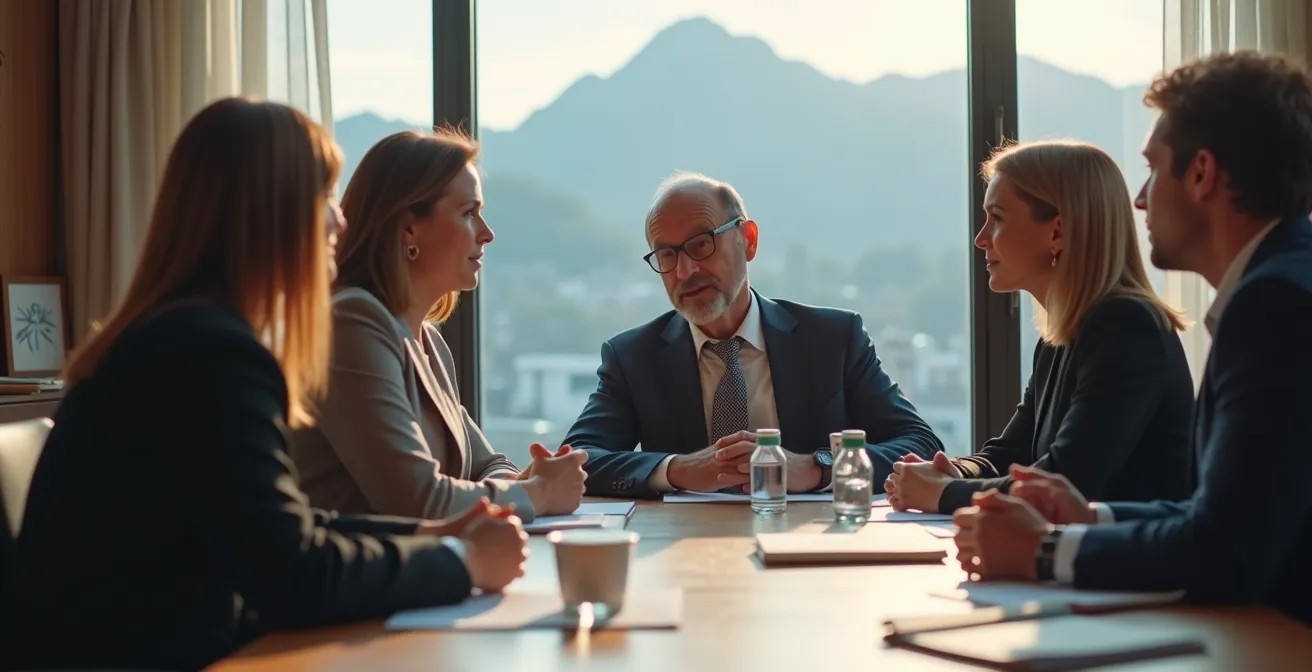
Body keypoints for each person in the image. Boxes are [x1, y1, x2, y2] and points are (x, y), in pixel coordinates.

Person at [3, 99, 529, 670]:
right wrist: (461, 563)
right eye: (324, 197)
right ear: (270, 212)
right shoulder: (210, 354)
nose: (340, 220)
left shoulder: (181, 335)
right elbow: (292, 573)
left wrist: (433, 533)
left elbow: (287, 527)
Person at [953, 51, 1312, 625]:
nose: (1139, 199)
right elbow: (1218, 514)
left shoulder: (1276, 306)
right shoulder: (1280, 285)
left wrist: (1045, 551)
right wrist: (1092, 518)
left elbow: (1227, 553)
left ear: (1201, 174)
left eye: (1152, 170)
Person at [563, 172, 943, 499]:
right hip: (686, 554)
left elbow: (921, 445)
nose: (685, 270)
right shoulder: (633, 357)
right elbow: (576, 459)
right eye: (666, 255)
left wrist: (816, 468)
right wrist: (678, 469)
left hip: (812, 551)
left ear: (748, 240)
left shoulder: (831, 339)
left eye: (701, 244)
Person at [290, 129, 586, 522]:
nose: (487, 233)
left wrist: (526, 489)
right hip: (356, 579)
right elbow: (417, 499)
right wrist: (538, 492)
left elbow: (488, 465)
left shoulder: (428, 340)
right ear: (409, 228)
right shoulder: (352, 325)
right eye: (468, 213)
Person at [884, 140, 1195, 514]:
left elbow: (1066, 479)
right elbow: (1009, 455)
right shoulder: (1062, 336)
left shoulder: (1127, 328)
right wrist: (952, 472)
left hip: (1129, 568)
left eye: (997, 218)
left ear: (1057, 232)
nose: (980, 238)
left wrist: (943, 493)